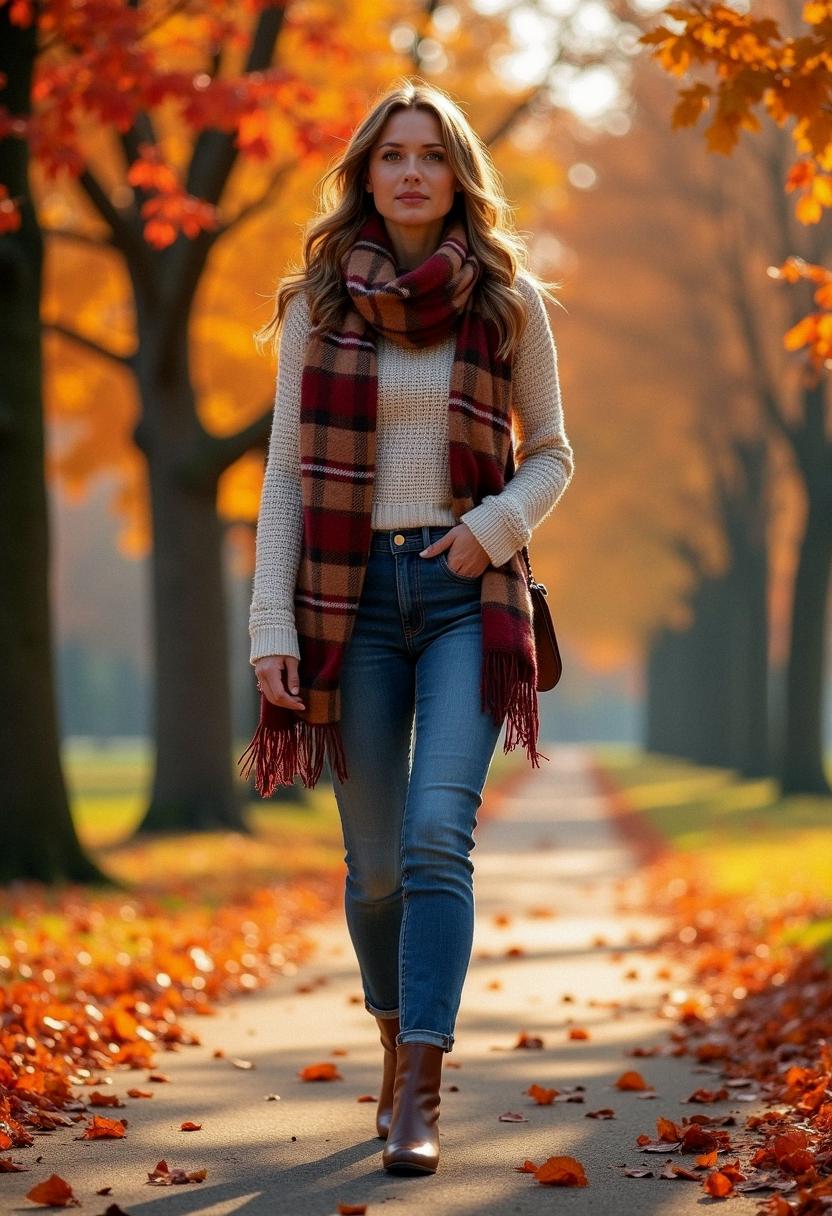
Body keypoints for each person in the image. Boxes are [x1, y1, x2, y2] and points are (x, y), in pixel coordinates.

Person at [241, 78, 574, 1176]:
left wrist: (492, 526)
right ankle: (393, 1044)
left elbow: (554, 453)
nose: (414, 171)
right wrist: (268, 627)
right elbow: (287, 474)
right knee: (375, 862)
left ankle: (420, 1089)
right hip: (349, 604)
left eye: (432, 153)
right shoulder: (316, 302)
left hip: (463, 596)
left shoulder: (507, 299)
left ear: (458, 170)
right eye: (393, 154)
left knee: (439, 836)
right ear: (365, 173)